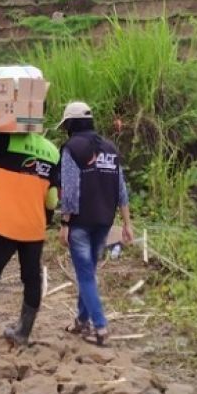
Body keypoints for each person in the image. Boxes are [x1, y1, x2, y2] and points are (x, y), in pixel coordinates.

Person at [0, 75, 60, 349]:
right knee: (31, 279)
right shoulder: (52, 152)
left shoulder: (7, 141)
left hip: (3, 226)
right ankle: (23, 335)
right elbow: (52, 199)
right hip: (33, 229)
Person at [56, 101, 134, 347]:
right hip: (104, 221)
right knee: (88, 272)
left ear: (70, 124)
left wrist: (65, 222)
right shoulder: (110, 148)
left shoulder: (71, 148)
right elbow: (120, 188)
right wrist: (127, 223)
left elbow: (69, 190)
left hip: (80, 223)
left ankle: (100, 327)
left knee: (86, 276)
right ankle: (82, 321)